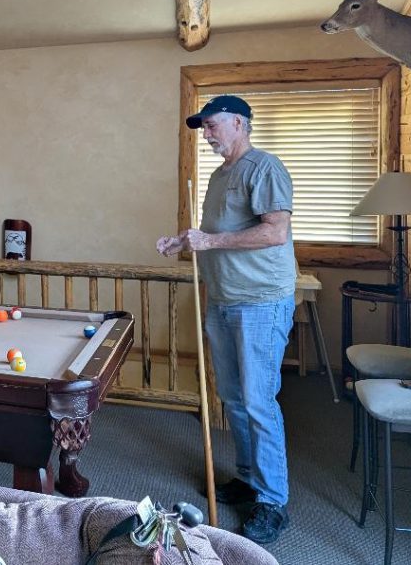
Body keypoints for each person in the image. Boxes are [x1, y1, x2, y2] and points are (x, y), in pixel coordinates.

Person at [155, 95, 295, 545]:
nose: (207, 134)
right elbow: (216, 235)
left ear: (239, 123)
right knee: (233, 399)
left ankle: (273, 501)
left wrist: (210, 243)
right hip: (224, 300)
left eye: (212, 125)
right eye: (204, 128)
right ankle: (250, 480)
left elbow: (275, 231)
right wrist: (184, 242)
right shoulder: (219, 175)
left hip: (260, 302)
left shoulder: (263, 167)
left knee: (257, 401)